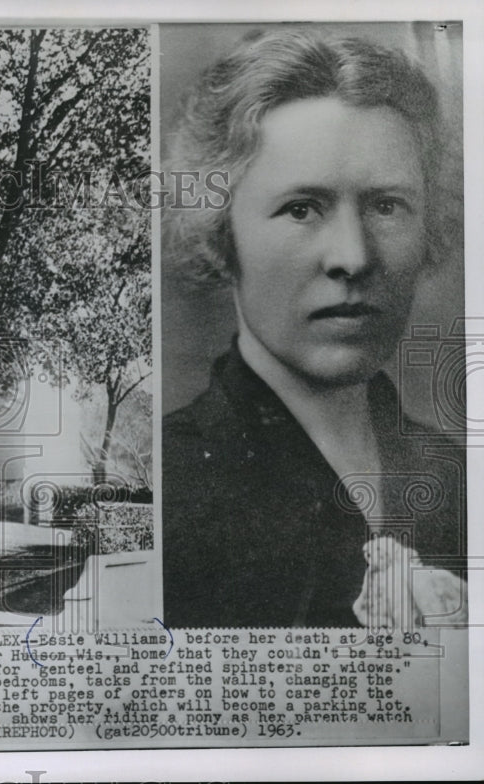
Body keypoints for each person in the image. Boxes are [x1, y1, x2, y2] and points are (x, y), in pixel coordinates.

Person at [161, 30, 466, 628]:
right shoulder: (173, 488)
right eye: (301, 208)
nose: (352, 257)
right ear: (223, 235)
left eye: (386, 205)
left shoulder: (456, 474)